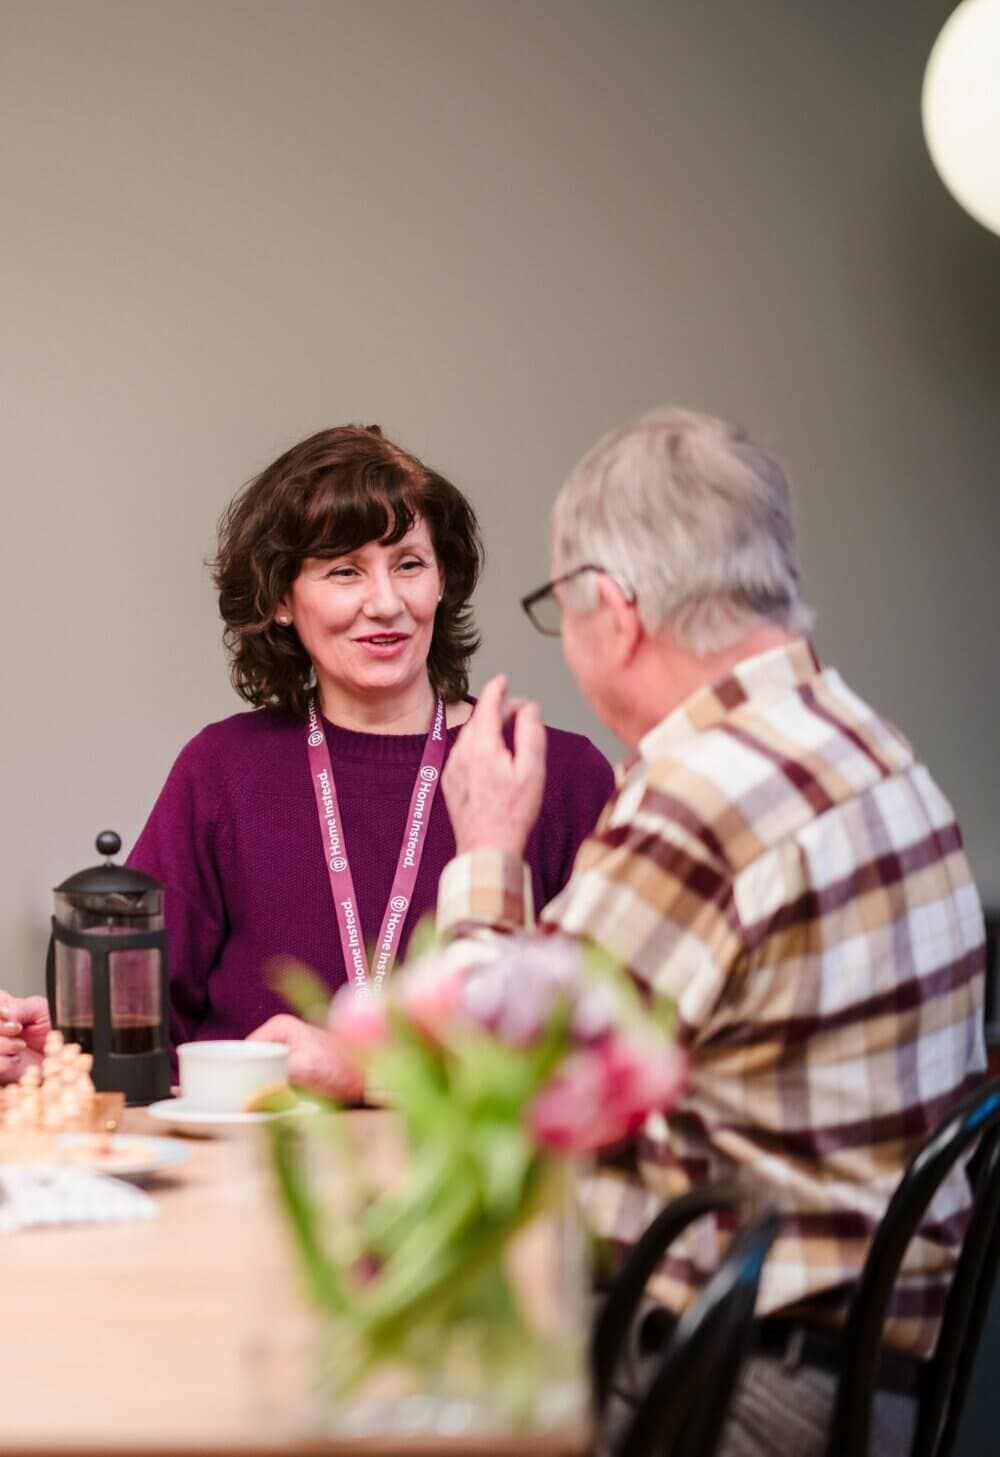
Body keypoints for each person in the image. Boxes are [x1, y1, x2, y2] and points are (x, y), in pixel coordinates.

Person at [430, 407, 986, 1457]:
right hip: (878, 1369)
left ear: (614, 608)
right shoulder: (864, 741)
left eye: (560, 604)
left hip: (740, 1384)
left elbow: (487, 1094)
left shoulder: (704, 796)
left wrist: (488, 851)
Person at [0, 425, 613, 1092]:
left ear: (443, 580)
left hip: (474, 1187)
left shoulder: (550, 773)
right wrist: (58, 1062)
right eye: (345, 570)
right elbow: (142, 1041)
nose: (386, 602)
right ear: (282, 601)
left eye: (409, 563)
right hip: (238, 1180)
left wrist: (360, 1070)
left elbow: (610, 1053)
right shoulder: (222, 771)